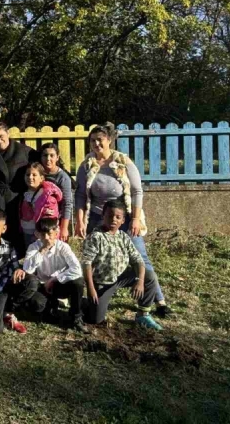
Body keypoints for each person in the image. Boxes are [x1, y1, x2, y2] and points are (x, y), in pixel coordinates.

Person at [74, 123, 171, 317]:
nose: (96, 144)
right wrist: (79, 220)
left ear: (109, 140)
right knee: (92, 258)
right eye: (92, 141)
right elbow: (80, 195)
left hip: (123, 216)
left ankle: (159, 301)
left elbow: (137, 191)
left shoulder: (122, 161)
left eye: (100, 140)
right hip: (97, 216)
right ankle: (93, 295)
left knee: (140, 257)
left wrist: (135, 218)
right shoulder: (86, 165)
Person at [81, 200, 163, 330]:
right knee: (95, 319)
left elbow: (138, 260)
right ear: (103, 217)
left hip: (122, 277)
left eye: (118, 217)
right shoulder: (95, 237)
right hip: (103, 283)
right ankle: (84, 302)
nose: (113, 219)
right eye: (109, 216)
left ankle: (143, 314)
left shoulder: (124, 237)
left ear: (123, 220)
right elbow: (86, 264)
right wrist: (91, 288)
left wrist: (140, 281)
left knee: (149, 276)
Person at [18, 218, 87, 333]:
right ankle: (51, 305)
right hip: (42, 286)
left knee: (78, 282)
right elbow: (27, 270)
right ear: (37, 234)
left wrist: (55, 279)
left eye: (50, 234)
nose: (46, 238)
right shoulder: (33, 247)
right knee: (38, 305)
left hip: (58, 284)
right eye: (43, 234)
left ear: (56, 233)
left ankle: (76, 317)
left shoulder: (63, 247)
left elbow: (77, 269)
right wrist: (42, 250)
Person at [18, 163, 63, 257]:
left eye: (34, 175)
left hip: (41, 235)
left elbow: (51, 221)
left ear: (42, 178)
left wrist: (40, 233)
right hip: (27, 231)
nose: (30, 177)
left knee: (44, 258)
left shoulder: (47, 197)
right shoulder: (25, 194)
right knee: (31, 257)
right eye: (27, 174)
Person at [39, 143, 73, 242]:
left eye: (52, 155)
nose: (48, 159)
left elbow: (67, 204)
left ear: (57, 157)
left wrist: (64, 228)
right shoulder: (37, 174)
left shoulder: (63, 177)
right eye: (45, 155)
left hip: (55, 222)